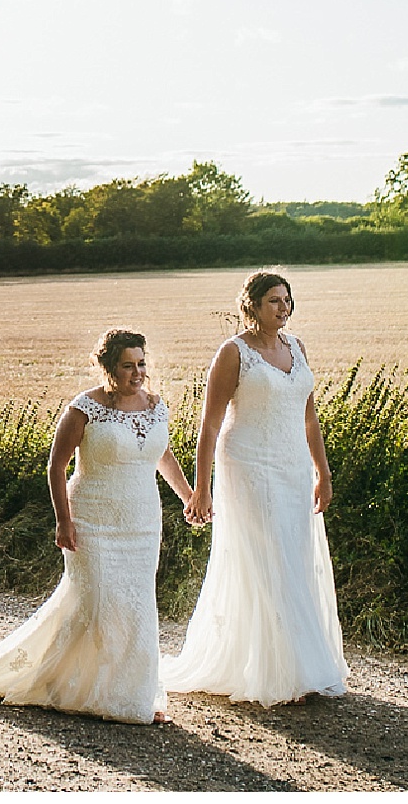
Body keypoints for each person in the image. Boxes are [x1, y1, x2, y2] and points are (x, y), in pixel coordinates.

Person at [0, 329, 196, 724]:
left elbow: (162, 455)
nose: (138, 373)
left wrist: (187, 495)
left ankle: (131, 696)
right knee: (95, 603)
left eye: (142, 364)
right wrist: (64, 521)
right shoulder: (84, 409)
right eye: (128, 366)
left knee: (135, 607)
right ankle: (61, 682)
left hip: (142, 522)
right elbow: (56, 467)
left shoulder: (155, 406)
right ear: (108, 367)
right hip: (92, 519)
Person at [162, 269, 350, 704]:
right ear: (251, 305)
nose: (282, 308)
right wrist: (201, 489)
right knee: (269, 559)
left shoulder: (296, 347)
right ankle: (279, 673)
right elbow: (208, 426)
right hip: (246, 465)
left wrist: (323, 471)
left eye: (286, 300)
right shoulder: (233, 353)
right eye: (273, 301)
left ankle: (301, 664)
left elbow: (309, 418)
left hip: (293, 467)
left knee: (295, 555)